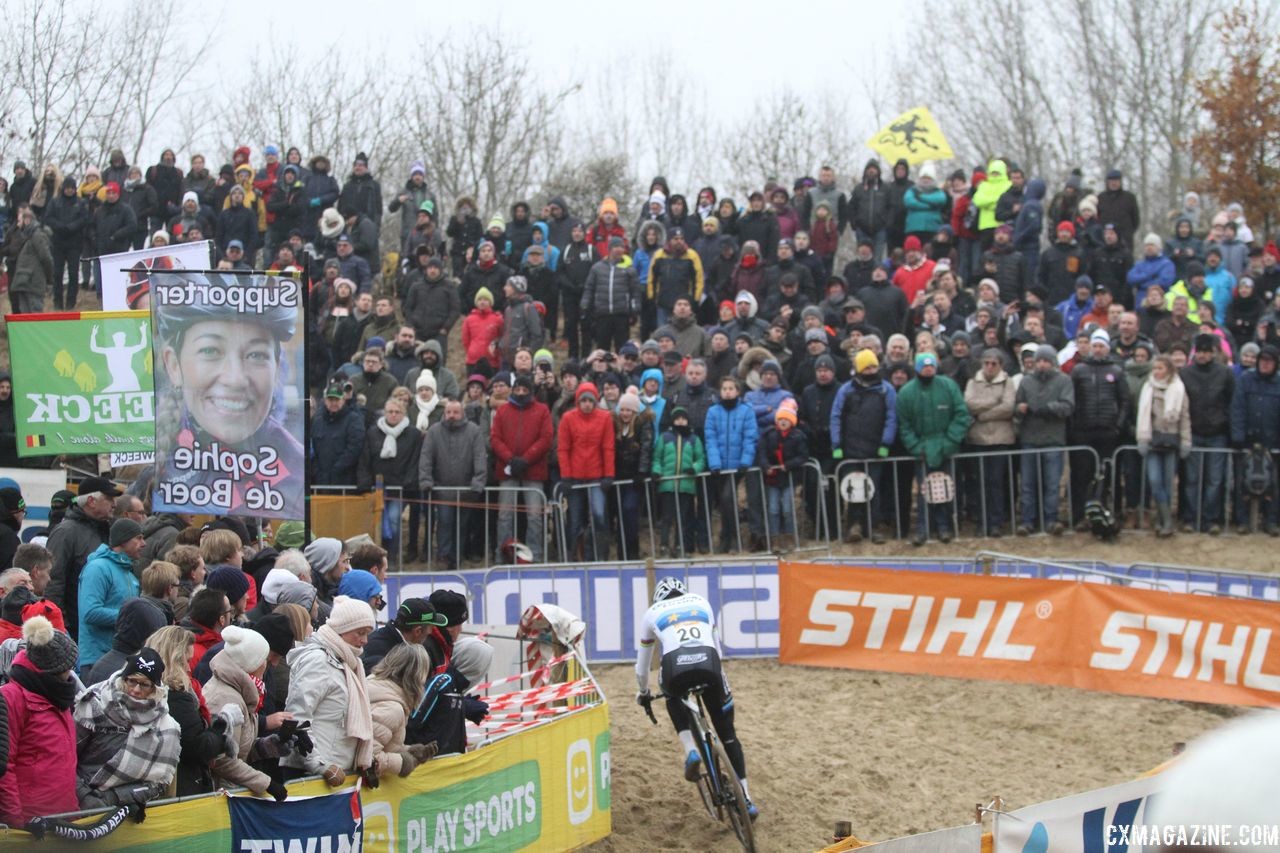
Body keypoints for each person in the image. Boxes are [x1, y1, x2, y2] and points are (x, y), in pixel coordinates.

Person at [154, 273, 304, 514]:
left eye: (256, 355)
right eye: (210, 350)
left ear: (277, 368)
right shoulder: (152, 466)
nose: (235, 379)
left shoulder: (297, 476)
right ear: (173, 365)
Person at [635, 577, 758, 819]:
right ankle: (747, 799)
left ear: (658, 598)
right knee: (728, 735)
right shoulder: (701, 602)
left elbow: (642, 667)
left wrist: (643, 693)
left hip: (675, 669)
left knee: (670, 692)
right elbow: (717, 649)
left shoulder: (651, 613)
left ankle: (691, 749)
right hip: (709, 663)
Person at [283, 596, 377, 786]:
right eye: (360, 632)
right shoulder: (318, 661)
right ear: (342, 629)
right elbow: (296, 716)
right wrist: (319, 765)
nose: (365, 640)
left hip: (337, 775)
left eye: (368, 633)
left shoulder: (352, 663)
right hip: (311, 775)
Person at [0, 616, 81, 823]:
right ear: (54, 671)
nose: (71, 672)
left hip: (64, 817)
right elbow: (4, 766)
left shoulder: (58, 695)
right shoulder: (12, 698)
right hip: (30, 824)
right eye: (68, 667)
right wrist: (15, 822)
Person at [202, 626, 290, 801]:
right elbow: (222, 760)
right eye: (264, 659)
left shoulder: (243, 691)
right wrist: (266, 783)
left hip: (232, 791)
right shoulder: (226, 698)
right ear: (253, 665)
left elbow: (239, 748)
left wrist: (268, 746)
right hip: (221, 796)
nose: (267, 665)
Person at [896, 352, 971, 545]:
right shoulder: (906, 392)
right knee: (924, 490)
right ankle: (923, 528)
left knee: (945, 488)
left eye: (931, 366)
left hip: (945, 446)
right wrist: (915, 446)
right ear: (917, 369)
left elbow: (961, 415)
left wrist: (950, 441)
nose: (928, 370)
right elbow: (904, 425)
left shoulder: (948, 386)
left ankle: (944, 527)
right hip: (922, 448)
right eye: (924, 367)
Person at [491, 374, 553, 562]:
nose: (520, 393)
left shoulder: (542, 410)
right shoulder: (503, 411)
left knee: (534, 515)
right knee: (505, 515)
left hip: (533, 470)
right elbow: (495, 438)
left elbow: (546, 438)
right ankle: (503, 554)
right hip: (508, 469)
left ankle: (536, 555)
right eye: (517, 389)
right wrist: (510, 459)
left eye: (524, 390)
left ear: (530, 392)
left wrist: (525, 459)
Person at [1014, 345, 1075, 535]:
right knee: (1027, 484)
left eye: (1045, 361)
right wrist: (1020, 409)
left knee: (1052, 484)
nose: (1041, 364)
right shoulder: (1026, 381)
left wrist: (1048, 408)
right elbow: (1016, 406)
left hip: (1053, 439)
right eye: (1039, 361)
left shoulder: (1064, 381)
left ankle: (1051, 519)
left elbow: (1068, 406)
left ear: (1053, 362)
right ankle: (1027, 521)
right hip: (1029, 438)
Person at [76, 518, 144, 677]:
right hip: (97, 659)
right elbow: (90, 612)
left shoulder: (128, 573)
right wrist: (131, 617)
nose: (144, 543)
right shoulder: (97, 568)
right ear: (123, 540)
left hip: (122, 658)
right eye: (139, 538)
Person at [1180, 334, 1234, 534]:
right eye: (1199, 351)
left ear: (1213, 353)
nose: (1202, 355)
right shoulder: (1185, 373)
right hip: (1193, 431)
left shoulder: (1225, 374)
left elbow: (1231, 401)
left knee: (1215, 479)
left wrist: (1226, 424)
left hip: (1217, 432)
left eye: (1206, 351)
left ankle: (1211, 519)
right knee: (1192, 479)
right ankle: (1191, 518)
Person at [357, 396, 422, 561]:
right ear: (384, 413)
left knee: (393, 520)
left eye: (397, 412)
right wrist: (365, 483)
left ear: (403, 413)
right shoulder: (373, 432)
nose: (393, 415)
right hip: (377, 487)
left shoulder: (413, 434)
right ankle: (377, 556)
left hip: (399, 488)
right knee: (378, 521)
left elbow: (415, 461)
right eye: (390, 412)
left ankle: (392, 555)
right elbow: (365, 459)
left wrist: (408, 483)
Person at [1135, 355, 1191, 538]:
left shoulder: (1179, 388)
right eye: (1154, 368)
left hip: (1172, 440)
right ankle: (1165, 518)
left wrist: (1186, 441)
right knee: (1155, 480)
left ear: (1168, 369)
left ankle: (1163, 521)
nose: (1157, 372)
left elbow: (1184, 417)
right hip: (1153, 440)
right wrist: (1142, 438)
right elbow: (1142, 415)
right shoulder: (1148, 388)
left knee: (1168, 483)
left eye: (1160, 368)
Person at [367, 644, 440, 778]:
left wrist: (411, 751)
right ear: (417, 676)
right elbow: (369, 758)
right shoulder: (392, 708)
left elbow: (384, 744)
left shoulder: (379, 687)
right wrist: (405, 762)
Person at [704, 376, 759, 553]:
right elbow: (710, 438)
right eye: (724, 388)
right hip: (720, 466)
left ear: (737, 391)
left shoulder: (746, 410)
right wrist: (714, 463)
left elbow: (750, 437)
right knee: (725, 501)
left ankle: (732, 537)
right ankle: (726, 538)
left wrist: (745, 460)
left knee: (728, 498)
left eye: (731, 388)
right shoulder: (713, 411)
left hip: (737, 464)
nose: (727, 392)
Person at [362, 597, 449, 674]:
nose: (429, 635)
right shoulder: (383, 657)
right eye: (428, 633)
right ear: (418, 631)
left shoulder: (393, 642)